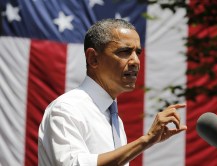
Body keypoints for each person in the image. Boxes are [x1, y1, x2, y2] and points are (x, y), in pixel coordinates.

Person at [38, 18, 187, 166]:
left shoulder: (113, 118)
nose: (135, 61)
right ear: (93, 58)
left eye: (138, 52)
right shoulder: (67, 109)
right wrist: (146, 140)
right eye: (125, 51)